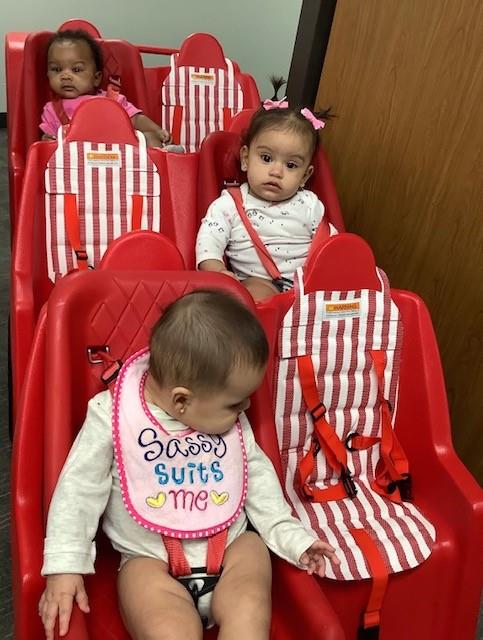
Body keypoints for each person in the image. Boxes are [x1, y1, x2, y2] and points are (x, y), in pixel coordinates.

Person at [39, 289, 339, 640]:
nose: (245, 409)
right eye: (235, 404)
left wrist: (293, 539)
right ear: (181, 400)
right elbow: (79, 488)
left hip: (232, 547)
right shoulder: (114, 416)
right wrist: (65, 564)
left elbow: (258, 480)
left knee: (251, 583)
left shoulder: (225, 414)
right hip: (150, 559)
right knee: (163, 624)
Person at [195, 100, 338, 301]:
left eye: (291, 165)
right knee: (255, 294)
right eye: (266, 158)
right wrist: (217, 270)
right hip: (259, 282)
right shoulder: (229, 204)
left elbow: (331, 243)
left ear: (305, 176)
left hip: (309, 283)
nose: (276, 172)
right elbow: (209, 240)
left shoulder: (309, 203)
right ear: (245, 159)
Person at [40, 29, 171, 148]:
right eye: (57, 69)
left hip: (120, 159)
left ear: (96, 78)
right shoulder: (52, 110)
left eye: (76, 70)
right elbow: (47, 144)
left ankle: (165, 154)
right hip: (76, 163)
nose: (65, 76)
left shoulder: (112, 99)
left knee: (150, 137)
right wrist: (46, 141)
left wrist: (157, 131)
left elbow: (136, 119)